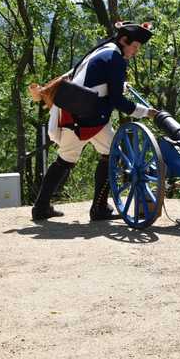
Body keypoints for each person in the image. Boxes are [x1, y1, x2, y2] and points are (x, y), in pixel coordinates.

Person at [32, 21, 158, 221]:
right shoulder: (115, 58)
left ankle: (85, 207)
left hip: (86, 115)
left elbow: (98, 81)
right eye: (134, 47)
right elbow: (117, 101)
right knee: (69, 160)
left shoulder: (104, 51)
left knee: (108, 153)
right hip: (85, 118)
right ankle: (85, 208)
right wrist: (146, 112)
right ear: (124, 40)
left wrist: (120, 84)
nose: (135, 52)